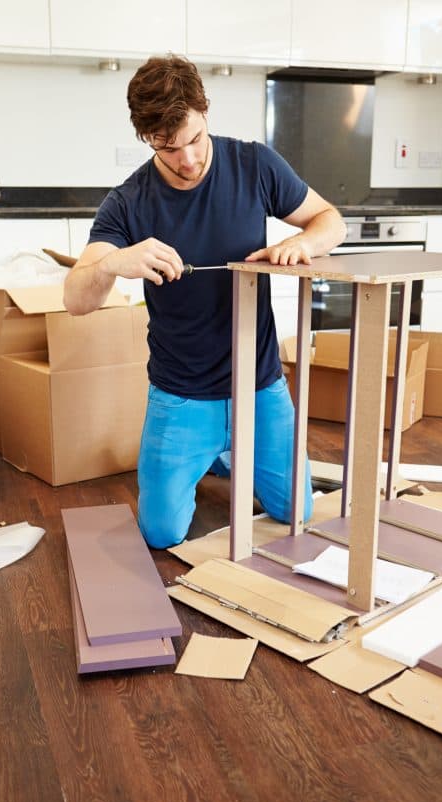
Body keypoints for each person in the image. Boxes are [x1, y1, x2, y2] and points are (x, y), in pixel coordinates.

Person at [63, 54, 346, 549]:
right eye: (169, 148)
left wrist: (302, 243)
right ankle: (215, 447)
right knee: (161, 533)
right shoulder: (128, 202)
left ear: (205, 111)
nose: (188, 160)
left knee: (296, 513)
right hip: (180, 394)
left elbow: (330, 220)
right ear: (146, 138)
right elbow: (75, 300)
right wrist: (113, 263)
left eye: (194, 139)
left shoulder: (254, 164)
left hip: (259, 385)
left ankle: (230, 448)